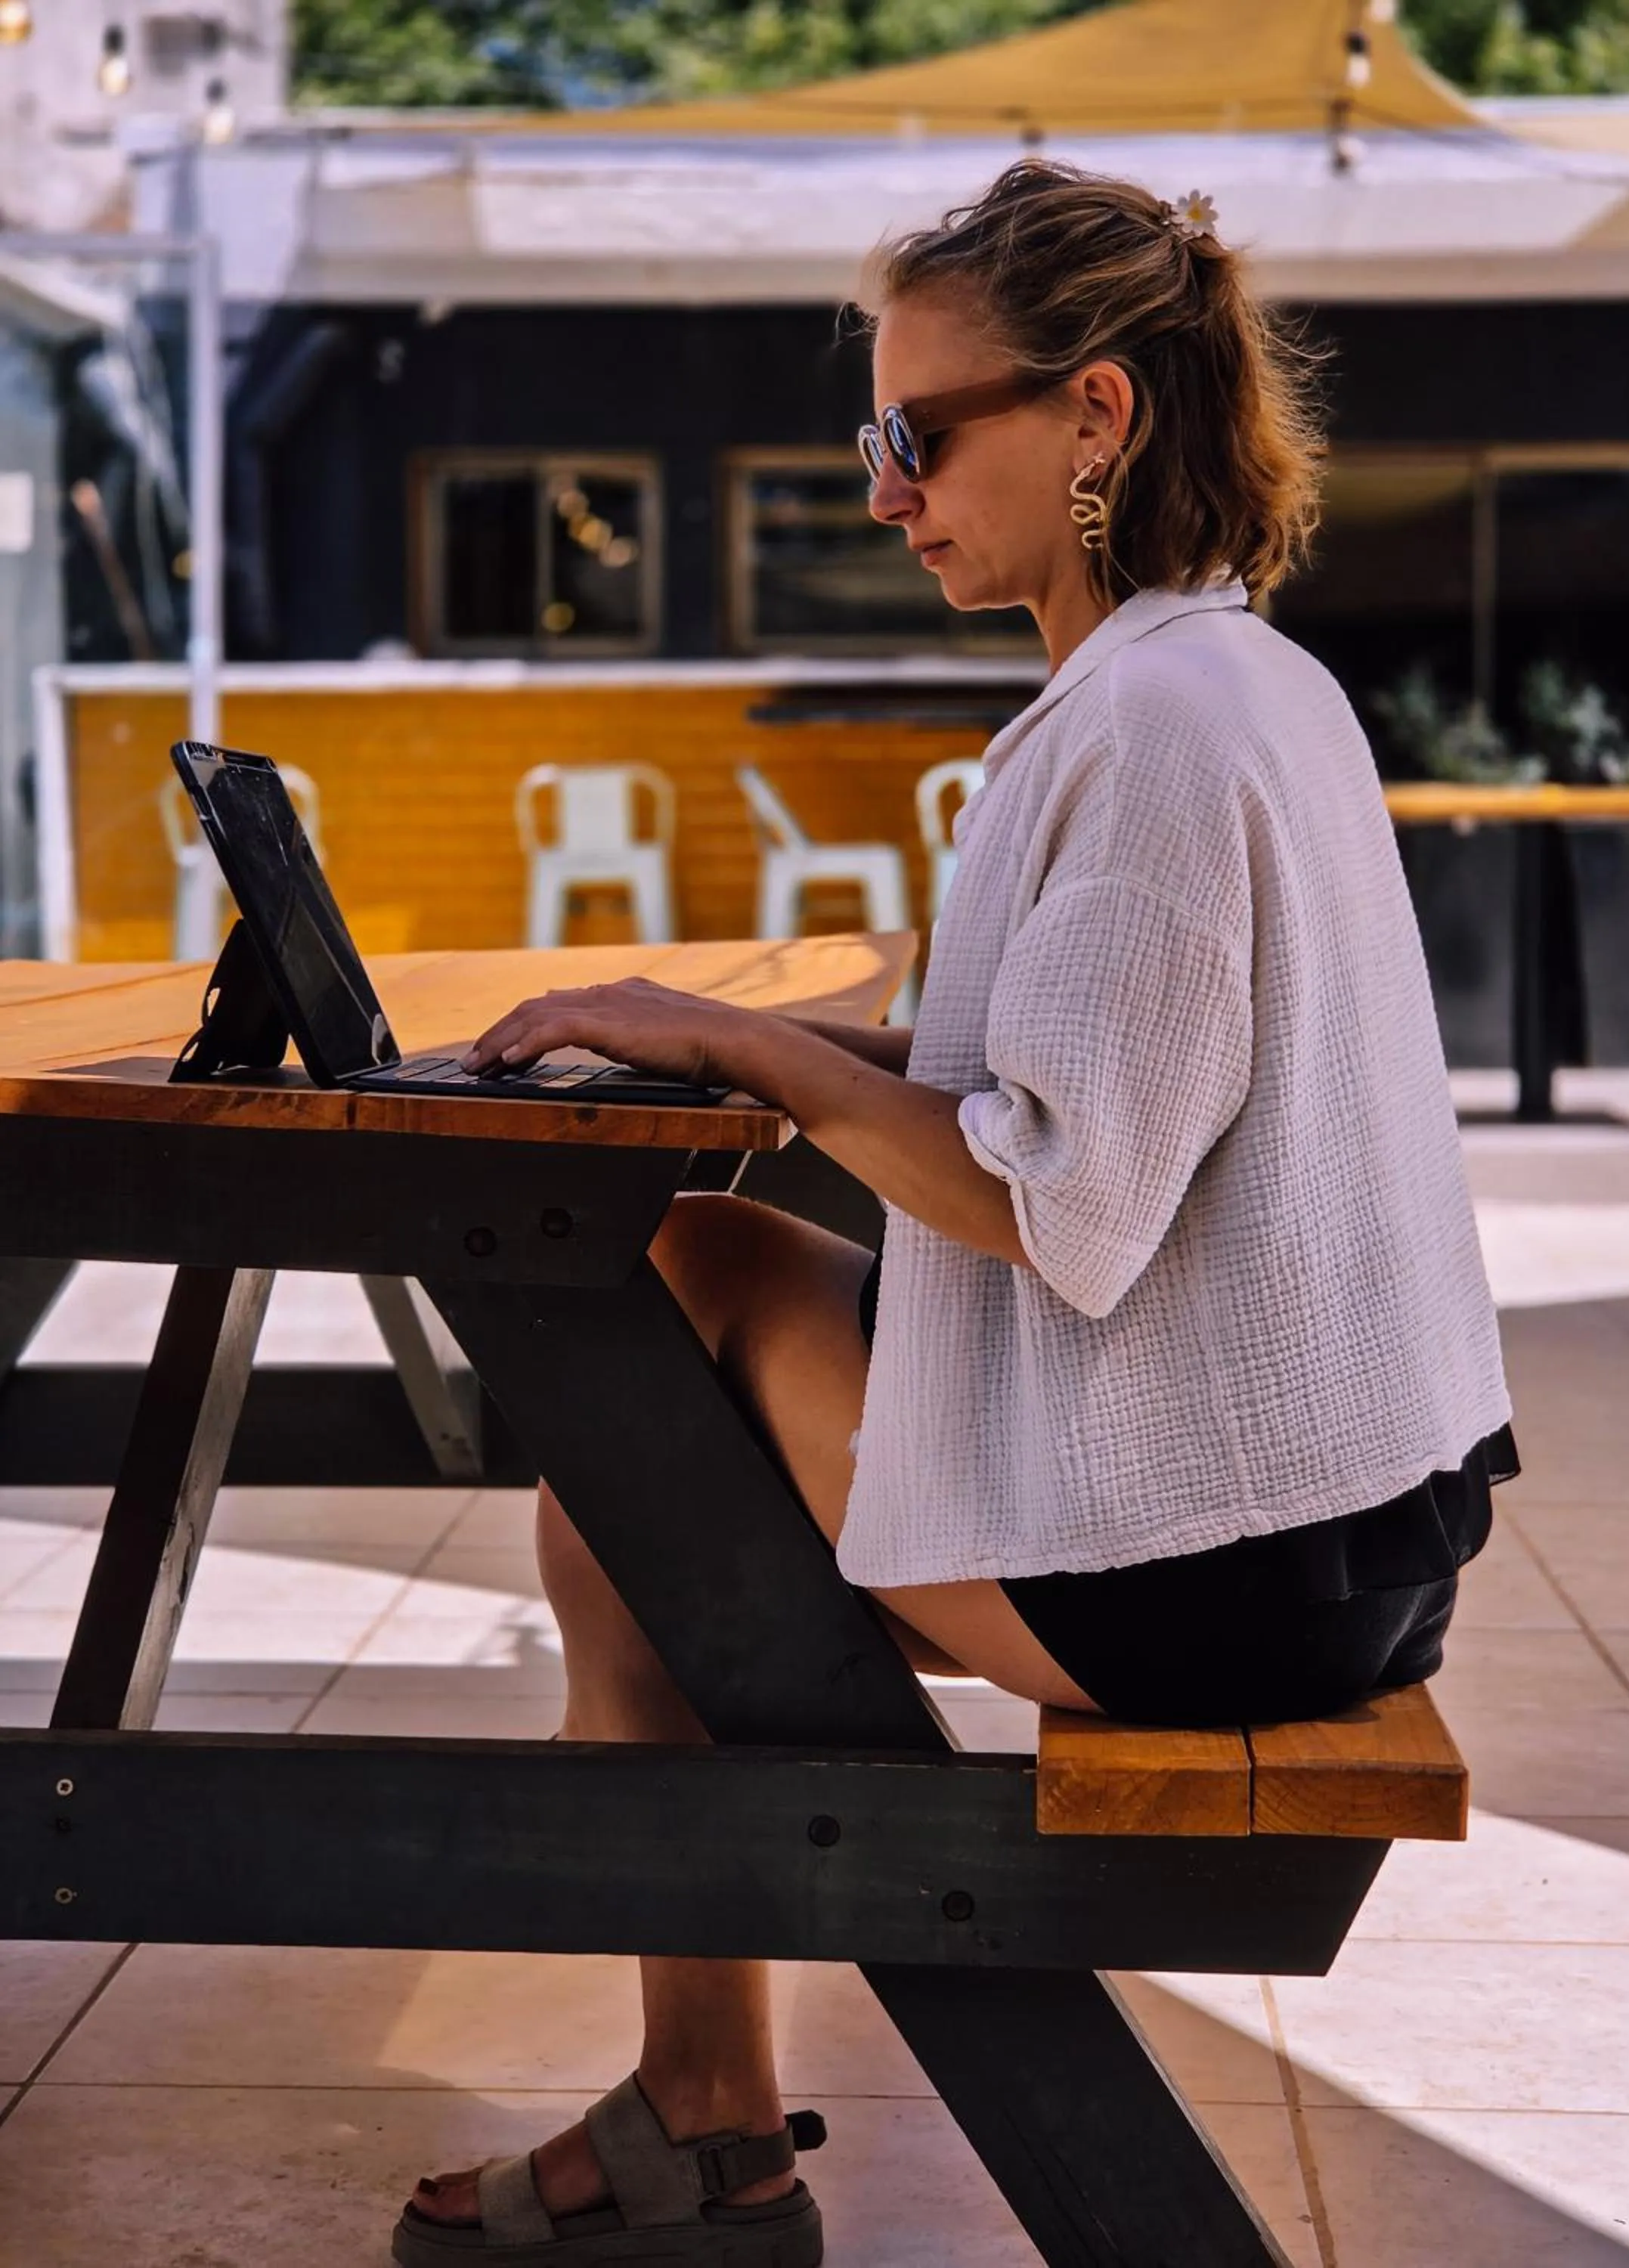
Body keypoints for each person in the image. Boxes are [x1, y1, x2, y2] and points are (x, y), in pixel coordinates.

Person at [394, 158, 1516, 2268]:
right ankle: (701, 2109)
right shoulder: (1214, 685)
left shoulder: (1168, 728)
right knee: (646, 1373)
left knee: (653, 1384)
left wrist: (746, 1048)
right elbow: (1088, 1112)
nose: (887, 491)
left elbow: (1053, 1202)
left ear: (1097, 419)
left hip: (1244, 1569)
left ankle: (704, 2112)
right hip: (1330, 1513)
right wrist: (757, 1039)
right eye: (870, 441)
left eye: (920, 434)